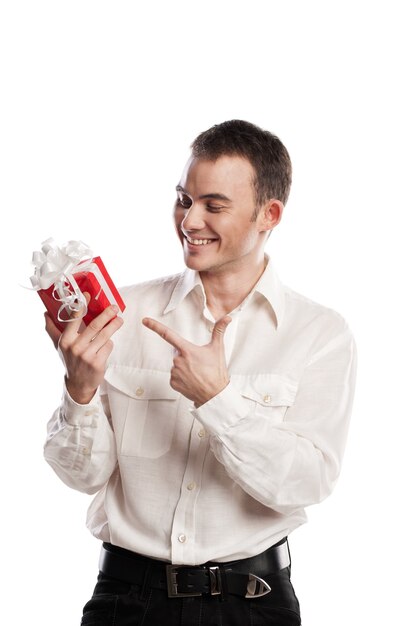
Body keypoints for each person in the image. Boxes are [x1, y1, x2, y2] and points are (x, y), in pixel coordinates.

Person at [44, 120, 356, 625]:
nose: (190, 220)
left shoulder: (320, 334)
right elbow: (83, 477)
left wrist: (218, 399)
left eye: (214, 205)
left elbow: (307, 483)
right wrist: (79, 390)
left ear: (268, 215)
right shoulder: (125, 314)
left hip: (253, 604)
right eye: (183, 200)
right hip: (126, 600)